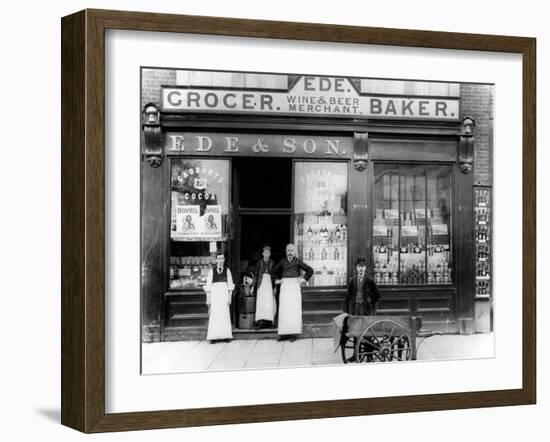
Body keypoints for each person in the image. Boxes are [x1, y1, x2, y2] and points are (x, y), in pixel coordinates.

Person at [273, 243, 314, 342]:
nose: (290, 253)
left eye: (292, 250)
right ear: (285, 252)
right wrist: (276, 280)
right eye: (288, 250)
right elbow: (273, 271)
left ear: (295, 252)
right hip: (285, 286)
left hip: (294, 286)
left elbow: (310, 270)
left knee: (293, 310)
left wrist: (303, 279)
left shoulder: (297, 261)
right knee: (284, 309)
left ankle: (293, 333)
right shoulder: (282, 262)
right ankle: (283, 333)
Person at [204, 253, 234, 343]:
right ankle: (213, 337)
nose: (220, 260)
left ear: (224, 260)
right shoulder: (211, 271)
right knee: (215, 315)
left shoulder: (227, 271)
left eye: (222, 258)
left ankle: (225, 336)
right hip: (215, 296)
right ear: (216, 260)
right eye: (219, 258)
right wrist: (208, 299)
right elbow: (208, 286)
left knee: (224, 314)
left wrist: (230, 297)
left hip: (224, 295)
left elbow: (230, 285)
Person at [254, 246, 276, 330]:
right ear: (263, 254)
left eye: (268, 253)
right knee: (261, 303)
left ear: (270, 254)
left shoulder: (272, 263)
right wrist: (253, 286)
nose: (267, 254)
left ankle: (270, 322)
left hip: (269, 283)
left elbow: (274, 275)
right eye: (265, 252)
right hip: (261, 284)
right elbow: (256, 274)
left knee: (269, 303)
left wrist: (275, 287)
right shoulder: (259, 263)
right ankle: (260, 321)